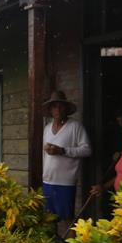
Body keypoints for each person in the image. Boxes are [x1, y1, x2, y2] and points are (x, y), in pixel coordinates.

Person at [41, 91, 92, 227]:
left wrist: (63, 150)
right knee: (48, 218)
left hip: (65, 182)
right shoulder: (47, 129)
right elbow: (44, 155)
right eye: (54, 107)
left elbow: (87, 150)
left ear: (66, 109)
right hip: (47, 180)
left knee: (67, 218)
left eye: (60, 106)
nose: (57, 110)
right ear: (50, 110)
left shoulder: (75, 127)